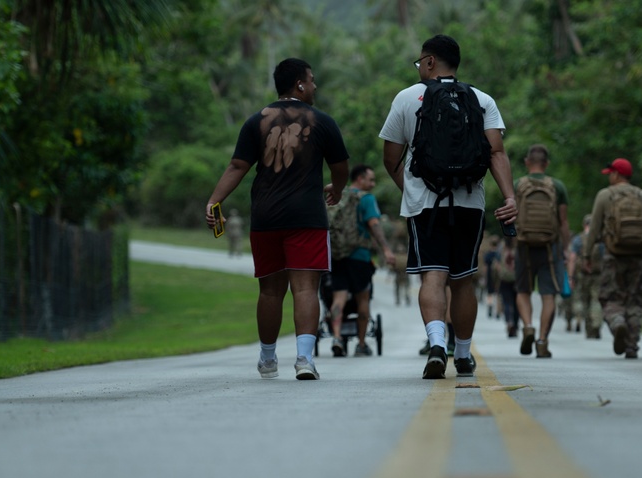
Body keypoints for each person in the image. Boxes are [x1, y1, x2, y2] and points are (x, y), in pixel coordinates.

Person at [380, 34, 518, 379]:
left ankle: (437, 344)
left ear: (429, 62)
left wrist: (410, 190)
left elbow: (391, 157)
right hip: (470, 202)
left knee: (433, 275)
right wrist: (510, 198)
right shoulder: (482, 99)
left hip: (425, 205)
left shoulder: (407, 98)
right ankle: (464, 353)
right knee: (463, 280)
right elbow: (497, 153)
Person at [205, 58, 349, 380]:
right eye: (311, 80)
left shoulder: (256, 121)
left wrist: (215, 201)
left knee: (270, 291)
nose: (314, 86)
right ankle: (304, 359)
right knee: (305, 289)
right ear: (300, 84)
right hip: (307, 217)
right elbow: (340, 167)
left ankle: (268, 359)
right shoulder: (322, 121)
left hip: (266, 216)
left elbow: (237, 167)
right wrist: (336, 190)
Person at [583, 157, 642, 359]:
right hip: (639, 257)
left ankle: (617, 322)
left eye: (610, 173)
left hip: (613, 256)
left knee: (610, 296)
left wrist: (587, 255)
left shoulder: (605, 196)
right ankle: (631, 346)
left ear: (617, 174)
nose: (609, 176)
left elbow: (593, 229)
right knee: (635, 300)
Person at [329, 164, 396, 357]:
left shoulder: (337, 197)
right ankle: (360, 342)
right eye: (371, 180)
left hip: (337, 255)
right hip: (359, 255)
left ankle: (336, 337)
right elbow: (374, 224)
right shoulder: (366, 199)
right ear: (359, 179)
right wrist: (385, 249)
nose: (373, 184)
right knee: (363, 298)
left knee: (338, 298)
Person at [512, 144, 571, 358]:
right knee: (548, 295)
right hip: (550, 247)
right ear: (546, 164)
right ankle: (543, 341)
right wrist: (566, 248)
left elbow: (509, 218)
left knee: (522, 291)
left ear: (528, 162)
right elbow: (563, 222)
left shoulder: (517, 185)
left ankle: (528, 326)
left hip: (523, 245)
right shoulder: (557, 186)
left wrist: (510, 246)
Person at [570, 214, 604, 339]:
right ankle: (596, 323)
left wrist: (570, 276)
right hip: (597, 274)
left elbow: (572, 259)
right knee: (596, 300)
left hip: (582, 274)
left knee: (583, 300)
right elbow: (605, 258)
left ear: (584, 224)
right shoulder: (600, 240)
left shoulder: (578, 240)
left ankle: (583, 321)